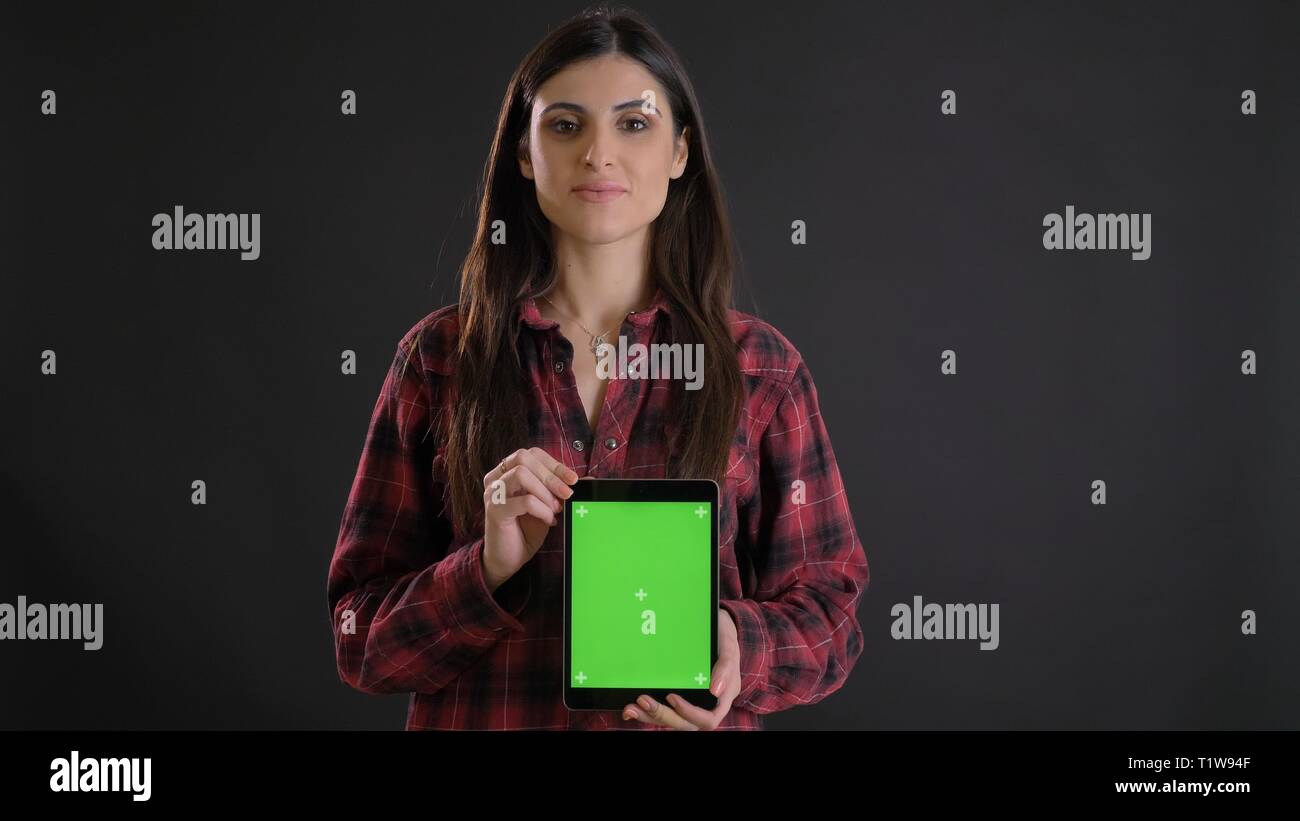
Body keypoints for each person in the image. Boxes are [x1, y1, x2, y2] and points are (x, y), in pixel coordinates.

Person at [327, 5, 869, 730]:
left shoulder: (762, 370)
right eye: (565, 124)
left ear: (680, 151)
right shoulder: (438, 360)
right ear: (525, 154)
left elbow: (833, 615)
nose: (598, 154)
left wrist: (743, 645)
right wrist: (482, 570)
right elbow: (360, 643)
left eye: (634, 123)